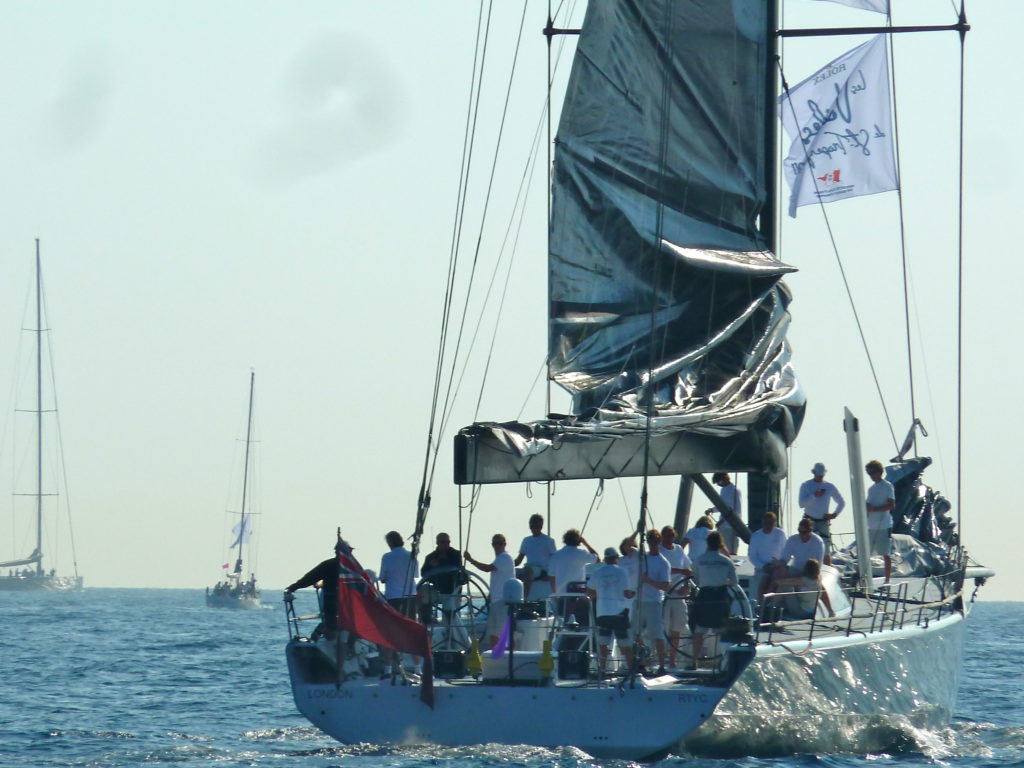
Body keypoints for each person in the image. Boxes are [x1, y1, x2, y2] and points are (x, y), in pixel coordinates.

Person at [586, 547, 636, 675]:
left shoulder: (597, 573)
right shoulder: (622, 572)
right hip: (619, 614)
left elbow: (589, 592)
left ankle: (602, 670)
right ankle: (630, 670)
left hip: (603, 613)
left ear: (605, 559)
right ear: (616, 558)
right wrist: (633, 594)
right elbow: (626, 593)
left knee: (603, 643)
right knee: (625, 644)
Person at [690, 531, 737, 664]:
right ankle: (723, 662)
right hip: (720, 598)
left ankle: (694, 661)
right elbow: (734, 582)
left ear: (707, 543)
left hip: (705, 597)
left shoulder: (699, 560)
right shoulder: (727, 561)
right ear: (721, 544)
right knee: (722, 630)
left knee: (699, 630)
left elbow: (696, 580)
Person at [465, 533, 516, 648]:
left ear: (504, 544)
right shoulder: (499, 559)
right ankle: (495, 657)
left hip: (504, 602)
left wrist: (470, 560)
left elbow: (487, 569)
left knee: (504, 633)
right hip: (495, 602)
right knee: (493, 633)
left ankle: (510, 656)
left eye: (500, 543)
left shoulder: (505, 557)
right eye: (495, 544)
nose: (497, 546)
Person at [379, 531, 420, 671]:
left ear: (390, 543)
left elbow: (383, 577)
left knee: (390, 632)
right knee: (412, 631)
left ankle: (388, 668)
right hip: (410, 598)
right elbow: (416, 574)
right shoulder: (411, 556)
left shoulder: (386, 557)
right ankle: (417, 667)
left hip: (393, 598)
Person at [285, 543, 342, 639]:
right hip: (334, 603)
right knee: (331, 625)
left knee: (333, 624)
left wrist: (293, 587)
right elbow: (310, 578)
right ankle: (327, 641)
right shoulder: (332, 566)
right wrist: (294, 587)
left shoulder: (348, 568)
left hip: (340, 604)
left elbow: (310, 578)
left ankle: (328, 640)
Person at [636, 529, 671, 675]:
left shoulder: (663, 563)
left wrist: (648, 581)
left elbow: (665, 585)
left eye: (655, 542)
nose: (652, 545)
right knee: (637, 634)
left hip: (654, 602)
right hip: (639, 601)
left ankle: (662, 665)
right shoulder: (642, 558)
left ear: (659, 542)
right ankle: (641, 662)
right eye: (650, 542)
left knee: (657, 634)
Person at [548, 529, 599, 624]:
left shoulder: (556, 556)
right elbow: (597, 559)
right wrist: (585, 543)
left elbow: (551, 577)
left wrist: (555, 594)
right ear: (578, 541)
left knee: (560, 621)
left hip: (561, 598)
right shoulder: (581, 553)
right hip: (578, 597)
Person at [658, 526, 692, 669]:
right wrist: (680, 571)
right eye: (666, 535)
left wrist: (686, 586)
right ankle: (661, 659)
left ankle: (673, 659)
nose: (669, 538)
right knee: (663, 627)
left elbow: (688, 569)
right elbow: (664, 569)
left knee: (677, 628)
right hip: (664, 593)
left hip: (679, 594)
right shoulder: (658, 551)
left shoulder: (679, 549)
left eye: (671, 535)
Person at [798, 463, 845, 563]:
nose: (820, 477)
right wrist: (814, 496)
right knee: (807, 547)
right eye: (818, 474)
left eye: (821, 475)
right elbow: (801, 504)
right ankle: (807, 569)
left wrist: (834, 514)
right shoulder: (806, 485)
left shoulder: (829, 486)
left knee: (826, 549)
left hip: (823, 521)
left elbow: (841, 502)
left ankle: (826, 568)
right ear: (813, 472)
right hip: (808, 520)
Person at [419, 532, 463, 624]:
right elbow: (423, 573)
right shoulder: (430, 557)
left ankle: (451, 628)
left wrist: (440, 562)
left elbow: (457, 567)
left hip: (453, 590)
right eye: (443, 542)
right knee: (423, 590)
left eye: (448, 542)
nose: (446, 544)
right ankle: (427, 620)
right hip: (437, 590)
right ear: (437, 543)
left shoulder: (456, 554)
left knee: (450, 617)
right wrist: (431, 566)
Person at [769, 558, 834, 619]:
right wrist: (830, 610)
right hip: (811, 612)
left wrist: (775, 576)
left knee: (785, 587)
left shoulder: (805, 580)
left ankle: (770, 608)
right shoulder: (818, 580)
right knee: (790, 590)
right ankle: (775, 608)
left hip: (801, 613)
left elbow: (780, 582)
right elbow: (824, 596)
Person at [865, 459, 895, 583]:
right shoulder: (871, 489)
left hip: (884, 525)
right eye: (869, 473)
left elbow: (891, 505)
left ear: (879, 472)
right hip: (871, 525)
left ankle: (887, 580)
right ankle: (864, 577)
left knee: (885, 553)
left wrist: (875, 509)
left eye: (872, 472)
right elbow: (868, 504)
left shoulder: (887, 486)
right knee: (866, 552)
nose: (871, 476)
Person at [747, 511, 787, 602]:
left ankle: (774, 605)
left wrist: (779, 564)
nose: (768, 525)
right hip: (761, 568)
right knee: (762, 579)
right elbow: (752, 556)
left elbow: (785, 552)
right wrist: (763, 566)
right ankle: (760, 603)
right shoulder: (756, 536)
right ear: (762, 523)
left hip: (777, 567)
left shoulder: (780, 534)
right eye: (766, 523)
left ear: (774, 523)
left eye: (770, 523)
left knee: (780, 580)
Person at [514, 514, 557, 598]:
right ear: (530, 526)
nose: (536, 528)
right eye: (534, 526)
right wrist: (506, 566)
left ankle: (524, 599)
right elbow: (518, 560)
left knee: (528, 571)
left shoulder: (548, 541)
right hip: (529, 568)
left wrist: (550, 573)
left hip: (541, 570)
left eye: (538, 526)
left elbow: (554, 560)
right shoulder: (526, 540)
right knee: (512, 573)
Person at [712, 472, 741, 554]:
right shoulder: (723, 490)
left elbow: (736, 510)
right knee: (719, 550)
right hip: (723, 527)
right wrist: (712, 510)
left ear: (726, 478)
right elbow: (721, 505)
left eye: (719, 482)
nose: (719, 485)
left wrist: (723, 521)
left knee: (729, 552)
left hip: (731, 527)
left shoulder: (734, 490)